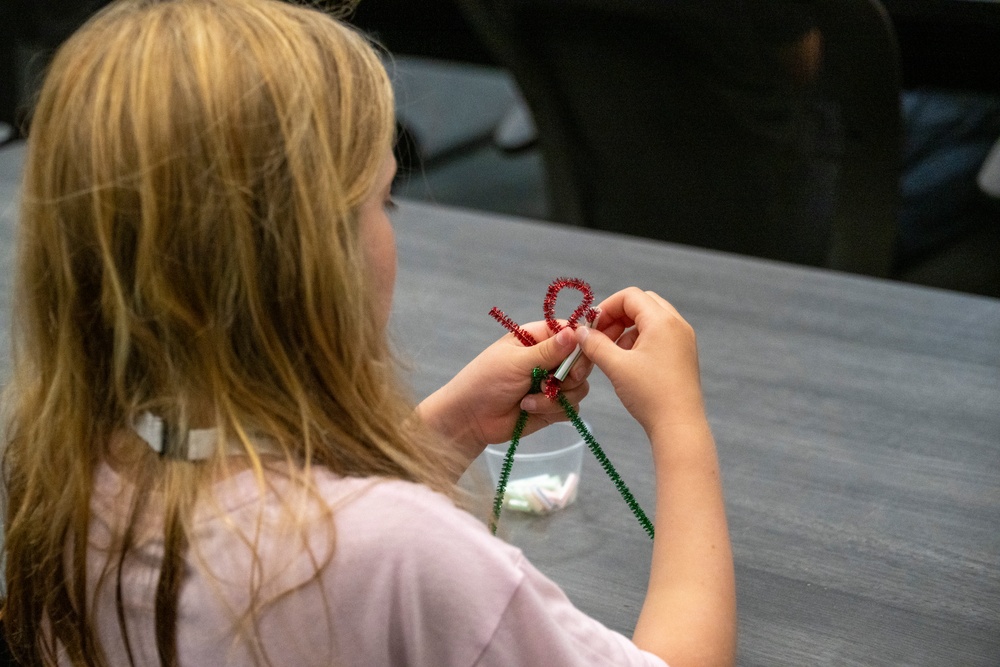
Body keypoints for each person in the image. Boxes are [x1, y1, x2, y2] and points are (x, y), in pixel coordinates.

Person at [0, 1, 735, 665]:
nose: (389, 228)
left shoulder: (56, 468)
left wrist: (447, 429)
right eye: (383, 199)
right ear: (309, 259)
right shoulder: (409, 557)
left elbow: (274, 505)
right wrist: (680, 426)